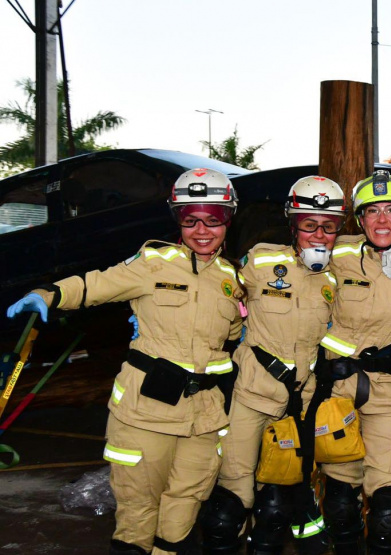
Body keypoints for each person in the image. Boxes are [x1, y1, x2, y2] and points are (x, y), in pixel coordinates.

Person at [7, 168, 244, 554]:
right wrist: (49, 294)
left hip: (204, 416)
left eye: (213, 218)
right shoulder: (152, 263)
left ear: (228, 219)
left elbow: (231, 334)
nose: (202, 229)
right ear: (177, 220)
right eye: (190, 218)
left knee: (184, 508)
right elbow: (95, 285)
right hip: (146, 410)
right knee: (137, 513)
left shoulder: (231, 278)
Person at [200, 176, 345, 555]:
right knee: (232, 499)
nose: (319, 234)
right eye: (308, 224)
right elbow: (217, 287)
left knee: (279, 501)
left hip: (300, 404)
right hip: (251, 395)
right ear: (292, 224)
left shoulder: (338, 278)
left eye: (328, 226)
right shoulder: (262, 260)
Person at [317, 170, 391, 554]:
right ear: (359, 219)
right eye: (371, 212)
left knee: (389, 505)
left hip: (386, 393)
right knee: (337, 495)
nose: (381, 220)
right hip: (336, 390)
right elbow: (290, 267)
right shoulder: (338, 253)